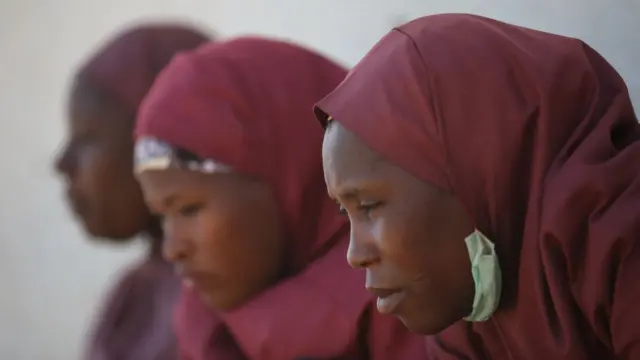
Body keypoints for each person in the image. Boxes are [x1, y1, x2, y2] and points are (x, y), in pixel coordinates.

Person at [317, 13, 640, 359]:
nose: (355, 255)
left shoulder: (623, 243)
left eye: (368, 206)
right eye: (344, 212)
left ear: (477, 165)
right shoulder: (467, 320)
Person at [133, 37, 426, 360]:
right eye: (161, 216)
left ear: (288, 175)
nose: (173, 248)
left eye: (189, 209)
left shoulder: (413, 301)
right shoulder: (203, 326)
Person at [55, 23, 211, 360]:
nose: (61, 163)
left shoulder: (235, 305)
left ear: (164, 142)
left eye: (87, 137)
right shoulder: (132, 296)